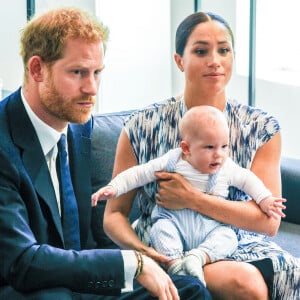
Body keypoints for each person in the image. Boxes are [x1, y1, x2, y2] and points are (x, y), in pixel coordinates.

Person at [0, 7, 211, 300]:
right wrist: (131, 263)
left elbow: (77, 244)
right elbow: (21, 262)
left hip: (73, 280)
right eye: (78, 72)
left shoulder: (76, 127)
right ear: (37, 69)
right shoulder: (3, 145)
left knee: (188, 290)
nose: (91, 88)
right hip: (23, 285)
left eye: (97, 72)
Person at [103, 11, 300, 300]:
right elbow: (114, 215)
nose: (215, 60)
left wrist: (192, 199)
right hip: (163, 238)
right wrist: (144, 255)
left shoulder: (261, 127)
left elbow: (267, 222)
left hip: (235, 241)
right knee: (247, 285)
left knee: (280, 274)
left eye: (224, 50)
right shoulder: (141, 126)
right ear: (179, 60)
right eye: (200, 51)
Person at [92, 105, 286, 287]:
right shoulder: (174, 160)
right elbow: (140, 173)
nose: (218, 154)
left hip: (211, 224)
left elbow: (249, 180)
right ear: (186, 148)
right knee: (160, 230)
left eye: (224, 146)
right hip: (174, 220)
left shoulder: (226, 167)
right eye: (209, 147)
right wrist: (114, 187)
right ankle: (175, 264)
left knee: (227, 237)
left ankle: (198, 257)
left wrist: (266, 200)